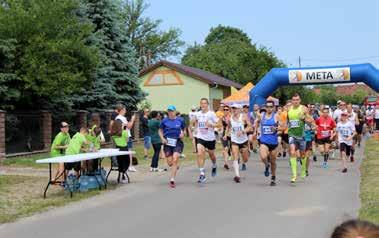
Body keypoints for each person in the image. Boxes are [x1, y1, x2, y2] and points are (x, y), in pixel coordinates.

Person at [191, 98, 219, 184]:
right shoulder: (197, 114)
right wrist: (194, 128)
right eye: (201, 103)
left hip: (210, 138)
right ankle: (202, 174)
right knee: (199, 153)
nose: (203, 105)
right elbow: (192, 122)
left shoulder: (211, 114)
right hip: (200, 137)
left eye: (205, 103)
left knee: (212, 155)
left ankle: (214, 165)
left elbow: (220, 124)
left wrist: (212, 124)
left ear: (207, 105)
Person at [255, 100, 282, 186]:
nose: (269, 108)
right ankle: (267, 165)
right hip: (264, 141)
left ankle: (273, 177)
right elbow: (256, 122)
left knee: (273, 161)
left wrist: (277, 129)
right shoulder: (261, 116)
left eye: (271, 107)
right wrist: (255, 131)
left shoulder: (276, 116)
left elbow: (284, 127)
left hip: (273, 143)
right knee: (263, 157)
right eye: (267, 107)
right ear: (265, 108)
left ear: (274, 108)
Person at [287, 94, 312, 183]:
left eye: (297, 100)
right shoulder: (288, 109)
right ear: (291, 101)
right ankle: (294, 175)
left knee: (302, 155)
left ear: (300, 100)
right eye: (294, 100)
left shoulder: (303, 109)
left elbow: (310, 120)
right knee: (292, 152)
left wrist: (304, 118)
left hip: (302, 136)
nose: (295, 101)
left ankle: (303, 169)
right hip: (291, 135)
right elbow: (286, 121)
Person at [159, 105, 186, 188]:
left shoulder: (180, 120)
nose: (170, 113)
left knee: (175, 159)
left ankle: (172, 179)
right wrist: (162, 138)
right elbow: (160, 130)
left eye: (172, 111)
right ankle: (175, 165)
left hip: (177, 142)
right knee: (170, 163)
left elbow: (184, 129)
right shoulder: (164, 121)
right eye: (169, 111)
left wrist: (183, 133)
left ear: (175, 112)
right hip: (167, 142)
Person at [224, 103, 252, 183]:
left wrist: (243, 131)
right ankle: (237, 175)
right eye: (233, 108)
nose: (234, 110)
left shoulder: (243, 117)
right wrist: (226, 134)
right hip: (234, 140)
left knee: (245, 159)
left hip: (243, 140)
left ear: (239, 109)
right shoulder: (230, 118)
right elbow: (228, 127)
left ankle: (245, 156)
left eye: (235, 108)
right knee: (235, 156)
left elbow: (250, 126)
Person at [115, 104, 137, 172]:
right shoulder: (122, 118)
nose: (126, 111)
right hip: (126, 136)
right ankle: (129, 166)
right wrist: (133, 119)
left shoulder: (117, 118)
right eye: (125, 110)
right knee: (128, 151)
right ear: (121, 110)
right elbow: (129, 126)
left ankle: (126, 166)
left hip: (122, 137)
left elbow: (126, 126)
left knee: (125, 152)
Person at [303, 106, 316, 176]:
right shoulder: (298, 117)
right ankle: (303, 163)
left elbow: (315, 127)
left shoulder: (310, 118)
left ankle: (306, 170)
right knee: (301, 155)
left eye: (305, 109)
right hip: (299, 138)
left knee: (307, 155)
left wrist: (312, 128)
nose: (304, 110)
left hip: (308, 138)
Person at [221, 105, 231, 170]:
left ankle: (237, 158)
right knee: (226, 148)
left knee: (233, 149)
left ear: (229, 110)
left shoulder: (232, 117)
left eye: (227, 109)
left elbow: (229, 127)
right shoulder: (222, 118)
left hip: (232, 134)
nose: (225, 111)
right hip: (225, 134)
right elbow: (221, 125)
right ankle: (226, 163)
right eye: (224, 109)